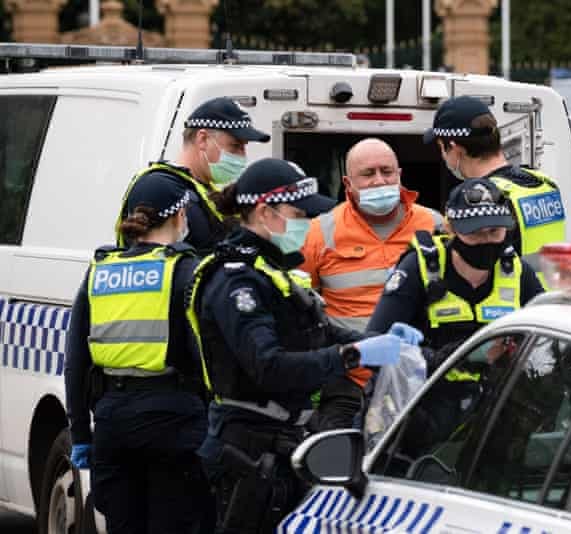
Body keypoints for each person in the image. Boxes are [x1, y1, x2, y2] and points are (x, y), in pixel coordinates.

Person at [187, 158, 417, 533]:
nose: (307, 225)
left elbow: (318, 332)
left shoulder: (271, 270)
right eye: (298, 214)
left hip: (282, 444)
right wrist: (353, 356)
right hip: (244, 448)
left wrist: (377, 342)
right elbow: (269, 365)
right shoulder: (236, 282)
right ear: (265, 212)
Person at [64, 173, 210, 533]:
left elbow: (75, 361)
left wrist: (81, 433)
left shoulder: (100, 270)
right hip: (175, 424)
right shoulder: (186, 270)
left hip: (113, 425)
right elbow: (207, 359)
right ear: (179, 217)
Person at [368, 178, 544, 353]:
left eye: (494, 231)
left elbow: (547, 339)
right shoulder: (418, 268)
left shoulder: (517, 271)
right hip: (429, 379)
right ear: (451, 229)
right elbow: (374, 343)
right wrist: (436, 359)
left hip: (499, 380)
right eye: (475, 233)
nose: (486, 241)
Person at [299, 138, 444, 331]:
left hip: (420, 355)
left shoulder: (434, 223)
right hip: (351, 357)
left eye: (387, 171)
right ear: (348, 183)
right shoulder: (318, 232)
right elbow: (303, 305)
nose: (379, 181)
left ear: (399, 175)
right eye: (368, 174)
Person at [424, 95, 566, 274]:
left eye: (441, 148)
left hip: (512, 299)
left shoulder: (482, 201)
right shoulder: (545, 183)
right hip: (551, 299)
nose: (443, 156)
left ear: (454, 148)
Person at [116, 97, 271, 254]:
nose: (242, 156)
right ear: (203, 139)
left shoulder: (203, 190)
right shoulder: (159, 187)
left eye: (244, 147)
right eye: (235, 146)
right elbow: (152, 265)